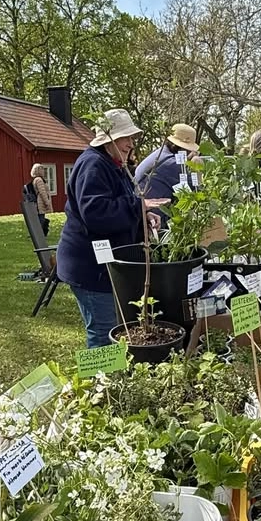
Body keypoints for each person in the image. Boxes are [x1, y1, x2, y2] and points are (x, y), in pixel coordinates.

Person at [56, 108, 168, 348]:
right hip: (91, 267)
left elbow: (123, 203)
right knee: (102, 332)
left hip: (107, 266)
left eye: (131, 138)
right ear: (108, 140)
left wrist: (144, 216)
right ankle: (100, 384)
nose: (130, 144)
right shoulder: (93, 165)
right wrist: (138, 206)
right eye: (124, 138)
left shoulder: (115, 164)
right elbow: (96, 214)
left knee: (113, 329)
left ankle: (112, 382)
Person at [135, 123, 200, 209]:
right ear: (183, 149)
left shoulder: (160, 154)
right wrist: (197, 167)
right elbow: (194, 191)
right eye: (189, 149)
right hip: (151, 216)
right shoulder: (172, 163)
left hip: (141, 209)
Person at [23, 164, 53, 237]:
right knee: (41, 218)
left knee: (40, 218)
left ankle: (38, 233)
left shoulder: (36, 179)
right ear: (38, 171)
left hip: (39, 202)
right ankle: (38, 234)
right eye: (41, 169)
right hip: (40, 202)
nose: (43, 171)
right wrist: (47, 202)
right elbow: (42, 192)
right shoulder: (39, 180)